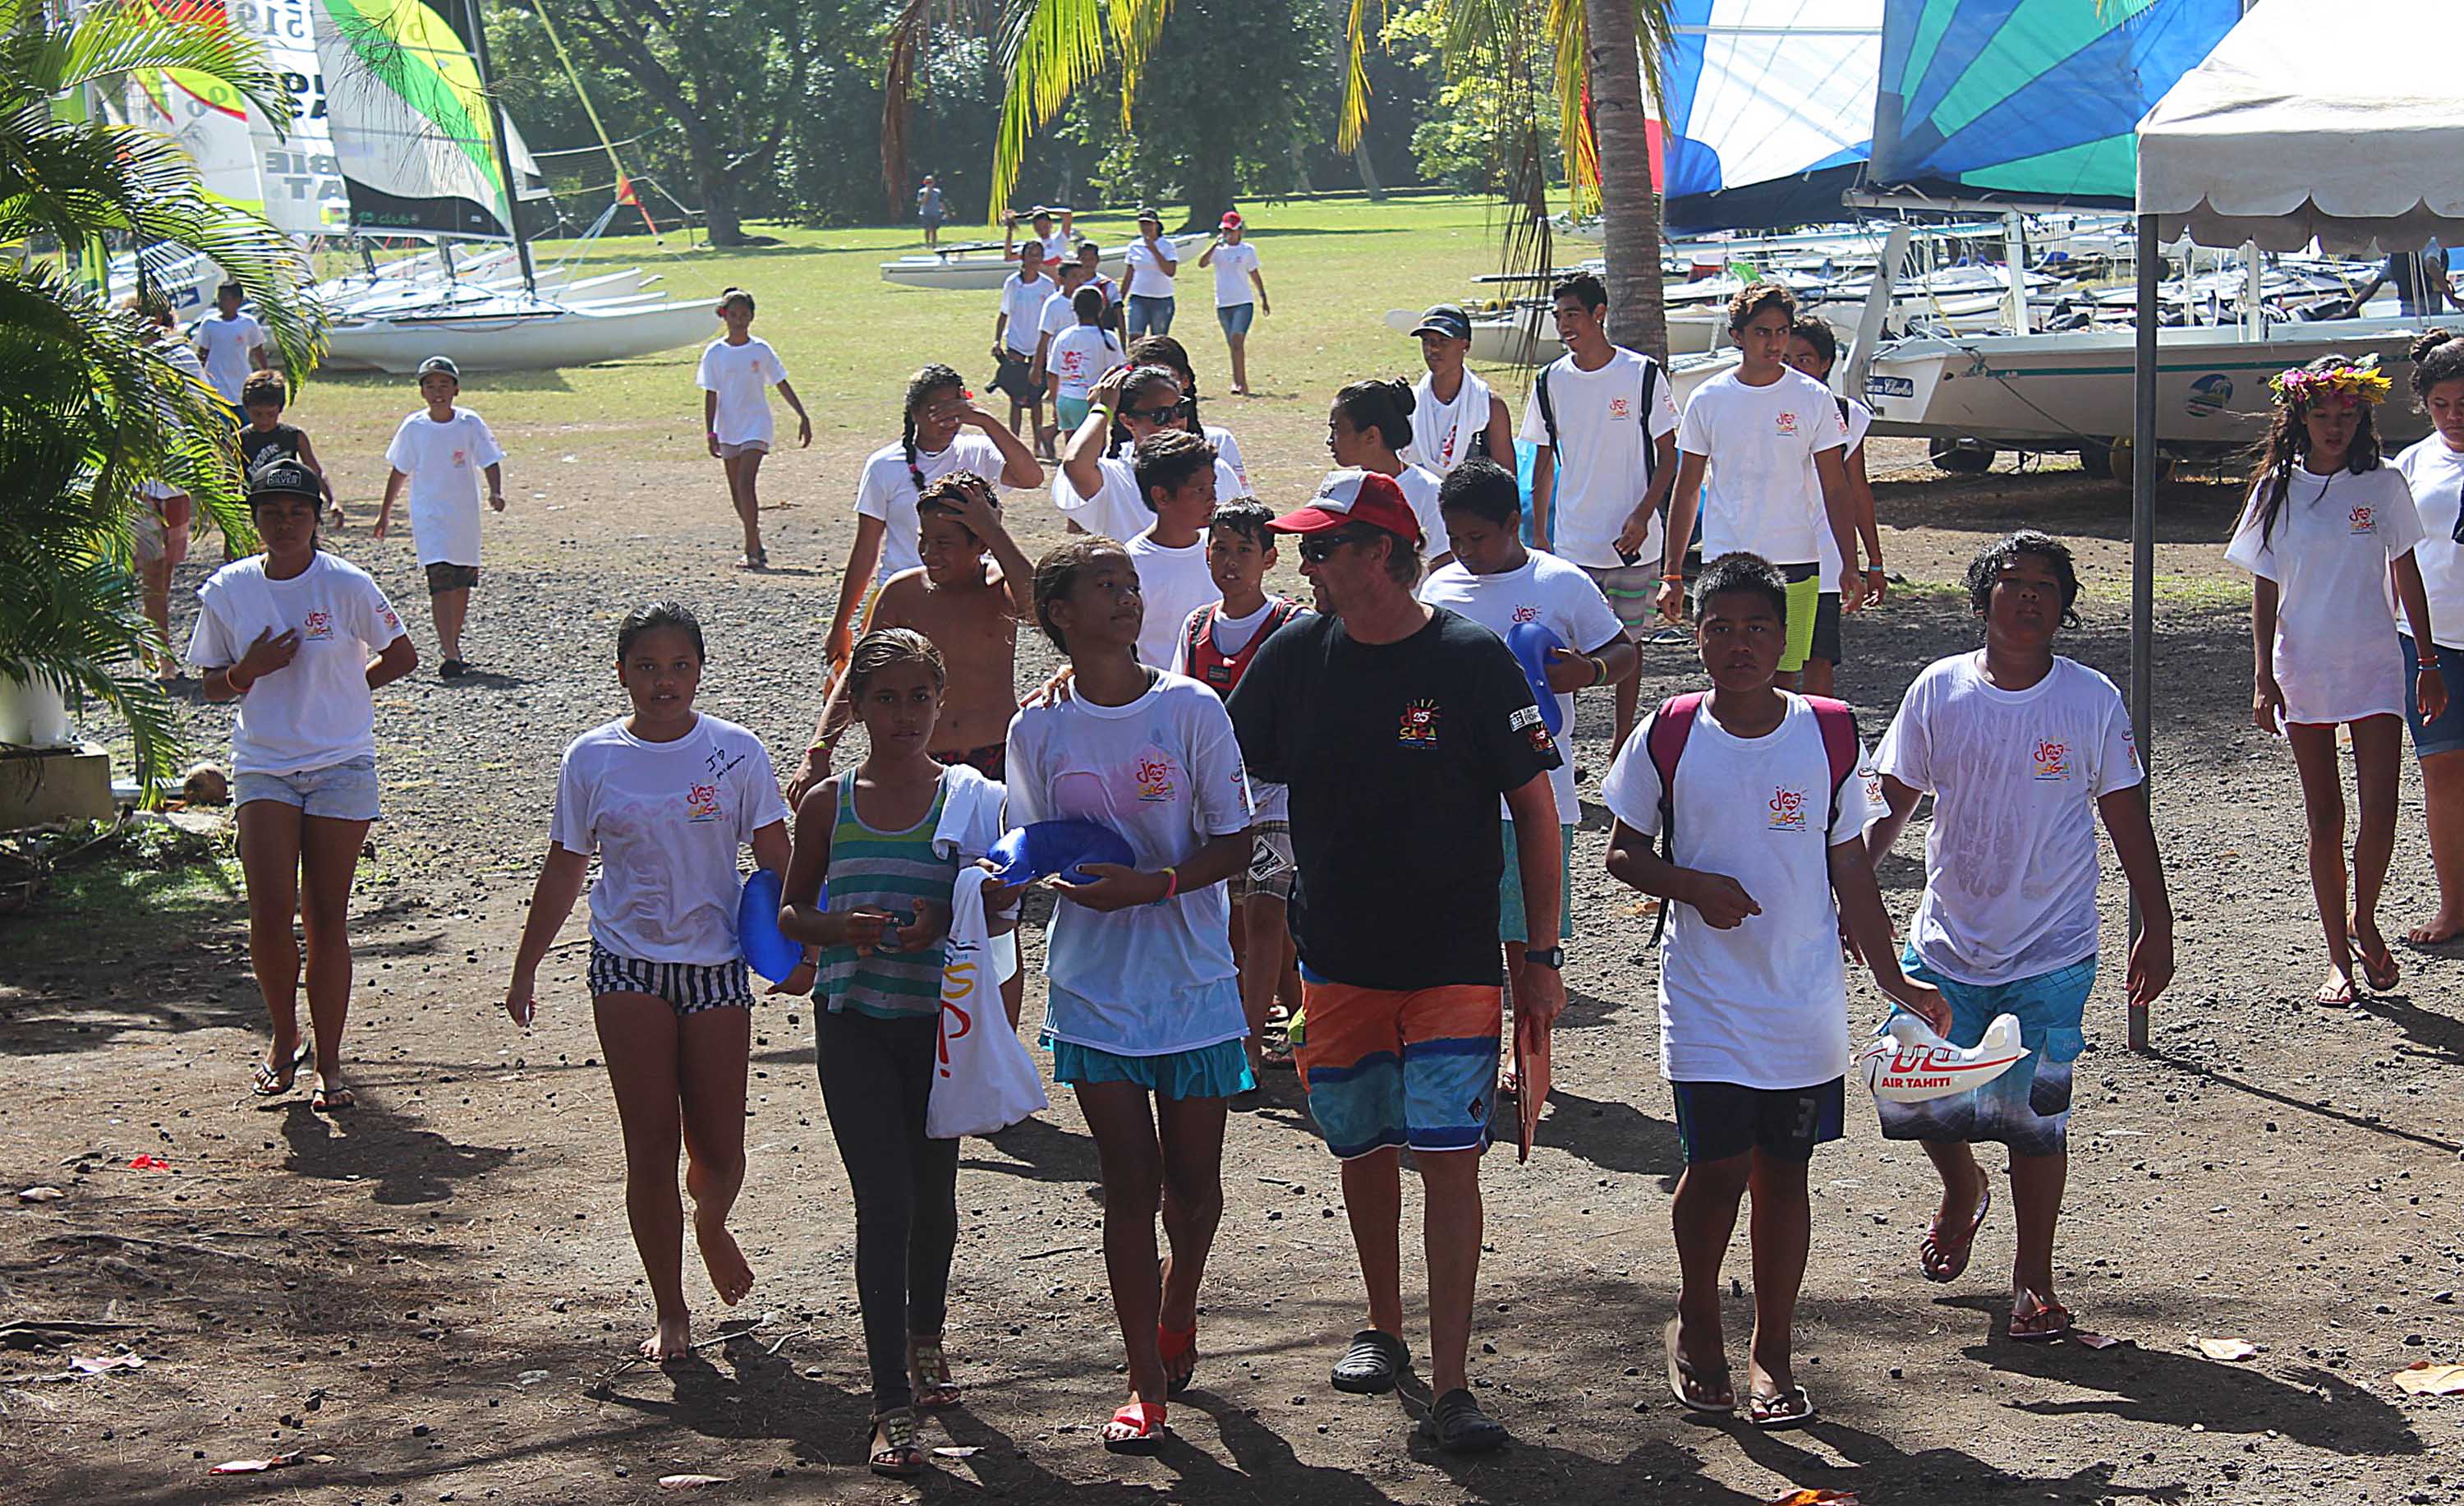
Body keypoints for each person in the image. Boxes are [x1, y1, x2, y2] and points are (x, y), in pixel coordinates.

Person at [1225, 469, 1562, 1454]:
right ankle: (1383, 1327)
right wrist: (1085, 684)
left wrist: (1539, 955)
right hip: (1335, 963)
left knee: (1449, 1164)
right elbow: (1211, 750)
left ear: (1382, 553)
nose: (1305, 563)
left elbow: (1534, 812)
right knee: (1363, 1152)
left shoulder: (1469, 659)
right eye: (1306, 548)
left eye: (1323, 548)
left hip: (1455, 965)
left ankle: (1455, 1383)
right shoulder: (1294, 654)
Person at [1602, 551, 1947, 1425]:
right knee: (1714, 1165)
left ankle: (1775, 1352)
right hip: (1706, 996)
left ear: (1787, 635)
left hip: (1802, 997)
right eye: (1720, 627)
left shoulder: (1828, 730)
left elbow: (1851, 870)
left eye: (1759, 627)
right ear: (1697, 634)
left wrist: (1892, 976)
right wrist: (1692, 886)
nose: (1739, 644)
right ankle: (1700, 1321)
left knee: (1785, 1174)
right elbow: (1622, 852)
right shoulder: (1669, 732)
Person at [1863, 532, 2174, 1343]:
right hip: (1946, 947)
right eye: (2012, 582)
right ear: (1983, 598)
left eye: (2046, 585)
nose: (2028, 596)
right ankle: (1961, 1189)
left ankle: (2033, 1285)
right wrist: (1846, 889)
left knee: (2037, 1121)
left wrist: (2159, 922)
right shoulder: (1938, 691)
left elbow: (2125, 815)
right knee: (1910, 1088)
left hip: (2052, 950)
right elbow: (1890, 800)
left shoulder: (2091, 699)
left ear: (2064, 606)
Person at [1005, 538, 1255, 1453]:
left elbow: (1236, 846)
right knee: (1128, 1185)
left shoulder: (1192, 710)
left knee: (1194, 1186)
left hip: (1192, 983)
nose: (1126, 598)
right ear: (1060, 614)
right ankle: (1143, 1379)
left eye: (1131, 584)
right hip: (1093, 988)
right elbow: (1029, 845)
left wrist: (1149, 887)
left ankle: (1178, 1304)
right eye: (1103, 587)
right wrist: (994, 881)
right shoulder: (1036, 728)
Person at [505, 602, 789, 1366]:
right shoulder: (591, 758)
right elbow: (566, 864)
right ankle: (671, 1308)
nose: (663, 682)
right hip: (626, 963)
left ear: (700, 668)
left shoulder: (737, 753)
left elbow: (775, 859)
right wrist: (527, 962)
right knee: (651, 1142)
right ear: (623, 671)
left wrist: (798, 952)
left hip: (717, 963)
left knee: (720, 1146)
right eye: (646, 667)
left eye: (678, 666)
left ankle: (712, 1221)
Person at [778, 627, 1009, 1478]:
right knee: (884, 1203)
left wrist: (946, 919)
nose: (904, 715)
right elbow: (791, 911)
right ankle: (889, 1403)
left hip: (940, 1028)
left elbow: (1004, 905)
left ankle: (926, 1339)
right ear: (859, 708)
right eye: (885, 698)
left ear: (941, 700)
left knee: (935, 1194)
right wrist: (843, 928)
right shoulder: (827, 804)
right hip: (854, 1023)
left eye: (920, 697)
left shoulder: (970, 798)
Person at [189, 459, 418, 1113]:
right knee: (268, 912)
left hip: (341, 763)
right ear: (254, 520)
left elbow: (402, 655)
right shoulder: (228, 590)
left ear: (317, 518)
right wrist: (247, 671)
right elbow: (206, 683)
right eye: (271, 513)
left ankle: (332, 1063)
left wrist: (345, 691)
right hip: (263, 763)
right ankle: (283, 1033)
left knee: (326, 918)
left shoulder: (346, 583)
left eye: (297, 512)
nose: (284, 523)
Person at [2225, 354, 2443, 1004]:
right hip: (2306, 665)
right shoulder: (2277, 489)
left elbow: (2408, 574)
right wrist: (2263, 675)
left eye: (2345, 416)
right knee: (2325, 815)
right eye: (2321, 415)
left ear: (2361, 417)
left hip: (2375, 659)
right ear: (2299, 418)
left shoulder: (2381, 484)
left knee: (2381, 808)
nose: (2333, 427)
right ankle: (2336, 959)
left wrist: (2427, 662)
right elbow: (2265, 586)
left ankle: (2364, 917)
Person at [788, 472, 1035, 1028]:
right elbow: (860, 671)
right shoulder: (904, 590)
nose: (929, 552)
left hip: (989, 764)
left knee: (994, 912)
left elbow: (1044, 608)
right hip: (914, 766)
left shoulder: (1002, 588)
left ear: (980, 541)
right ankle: (915, 1020)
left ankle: (995, 1053)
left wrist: (994, 529)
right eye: (924, 539)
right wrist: (820, 747)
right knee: (916, 898)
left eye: (946, 540)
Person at [1420, 458, 1635, 1088]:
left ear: (1515, 523)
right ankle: (1471, 1047)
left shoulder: (1561, 583)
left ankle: (1530, 1053)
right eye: (1454, 538)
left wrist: (1586, 673)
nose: (1465, 551)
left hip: (1538, 796)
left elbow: (1623, 649)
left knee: (1525, 934)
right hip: (1454, 794)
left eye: (1478, 538)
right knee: (1462, 931)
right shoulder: (1439, 590)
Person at [1657, 283, 1865, 699]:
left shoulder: (1814, 398)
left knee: (1785, 680)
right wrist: (1672, 572)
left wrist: (1850, 563)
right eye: (1762, 332)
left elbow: (1837, 490)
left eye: (1782, 332)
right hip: (1726, 560)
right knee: (1727, 675)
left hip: (1798, 559)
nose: (1774, 343)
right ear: (1738, 336)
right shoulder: (1707, 398)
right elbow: (1687, 489)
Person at [1170, 500, 1308, 1082]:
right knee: (1232, 919)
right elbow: (1179, 704)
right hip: (1216, 798)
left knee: (1264, 913)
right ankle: (1303, 1017)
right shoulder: (1197, 626)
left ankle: (1247, 1046)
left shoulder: (1293, 625)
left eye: (1243, 551)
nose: (1229, 562)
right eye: (1219, 549)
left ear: (1270, 557)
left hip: (1277, 794)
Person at [1522, 269, 1680, 753]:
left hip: (1636, 543)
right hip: (1573, 542)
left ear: (1599, 314)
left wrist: (1642, 514)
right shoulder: (1550, 381)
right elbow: (1542, 463)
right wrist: (1543, 538)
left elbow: (1669, 454)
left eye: (1573, 314)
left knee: (1629, 643)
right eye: (1557, 317)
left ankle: (1621, 741)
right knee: (1559, 648)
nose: (1564, 325)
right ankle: (1560, 742)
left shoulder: (1642, 374)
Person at [826, 365, 1041, 670]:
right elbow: (866, 549)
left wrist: (983, 420)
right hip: (902, 595)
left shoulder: (978, 450)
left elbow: (1032, 477)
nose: (948, 419)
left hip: (968, 594)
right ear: (914, 413)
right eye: (936, 410)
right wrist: (840, 625)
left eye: (955, 408)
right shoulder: (883, 466)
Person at [2395, 329, 2464, 943]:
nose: (2453, 416)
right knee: (2442, 770)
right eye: (2441, 405)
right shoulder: (2411, 464)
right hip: (2431, 641)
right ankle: (2454, 904)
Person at [375, 355, 504, 679]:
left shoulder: (469, 423)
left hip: (464, 516)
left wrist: (495, 491)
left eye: (444, 385)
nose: (437, 392)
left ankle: (454, 645)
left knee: (461, 583)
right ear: (421, 392)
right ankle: (448, 650)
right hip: (430, 516)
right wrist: (385, 513)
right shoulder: (414, 427)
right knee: (439, 581)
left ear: (456, 389)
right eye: (430, 386)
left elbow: (490, 459)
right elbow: (399, 470)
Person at [1783, 317, 1885, 698]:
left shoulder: (1847, 414)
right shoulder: (1760, 406)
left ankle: (1817, 734)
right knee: (1773, 660)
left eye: (1805, 360)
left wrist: (1870, 562)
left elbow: (1857, 491)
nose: (1794, 368)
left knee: (1819, 658)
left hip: (1826, 557)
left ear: (1826, 363)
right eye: (1787, 358)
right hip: (1772, 550)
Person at [1055, 365, 1241, 544]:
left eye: (1180, 408)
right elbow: (1074, 464)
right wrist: (1102, 408)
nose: (1175, 421)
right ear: (1128, 421)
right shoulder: (1116, 476)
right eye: (1161, 414)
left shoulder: (1216, 469)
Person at [697, 288, 811, 571]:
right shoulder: (715, 352)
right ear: (724, 317)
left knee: (746, 482)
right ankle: (755, 540)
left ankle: (750, 548)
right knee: (736, 489)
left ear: (752, 317)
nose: (739, 321)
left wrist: (802, 415)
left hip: (756, 424)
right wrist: (710, 432)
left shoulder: (760, 350)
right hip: (727, 426)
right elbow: (711, 393)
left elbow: (780, 382)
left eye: (744, 315)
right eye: (733, 315)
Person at [129, 295, 209, 679]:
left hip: (176, 480)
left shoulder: (183, 359)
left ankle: (154, 644)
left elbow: (203, 411)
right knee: (152, 570)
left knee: (166, 571)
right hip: (137, 482)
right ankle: (162, 656)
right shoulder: (124, 362)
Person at [1122, 431, 1225, 670]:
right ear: (1162, 496)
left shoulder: (1222, 549)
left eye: (1213, 485)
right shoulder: (1131, 564)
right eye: (1199, 490)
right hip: (1164, 696)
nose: (1213, 497)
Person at [1326, 378, 1449, 569]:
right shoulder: (1342, 490)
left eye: (1337, 430)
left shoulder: (1428, 491)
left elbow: (1443, 559)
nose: (1329, 440)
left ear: (1371, 436)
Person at [1124, 334, 1245, 487]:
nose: (1158, 385)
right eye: (1159, 415)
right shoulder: (1119, 461)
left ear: (1185, 381)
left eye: (1167, 376)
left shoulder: (1219, 444)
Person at [1407, 304, 1515, 475]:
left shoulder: (1489, 407)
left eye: (1444, 340)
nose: (1433, 348)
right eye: (1427, 340)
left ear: (1466, 345)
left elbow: (1507, 480)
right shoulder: (1408, 403)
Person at [238, 370, 339, 527]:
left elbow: (316, 472)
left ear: (280, 409)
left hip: (289, 511)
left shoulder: (294, 436)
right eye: (257, 414)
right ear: (246, 408)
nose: (264, 420)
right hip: (256, 512)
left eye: (270, 414)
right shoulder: (238, 440)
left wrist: (332, 500)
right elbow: (229, 484)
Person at [991, 241, 1056, 458]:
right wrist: (997, 341)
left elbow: (1051, 318)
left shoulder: (1047, 285)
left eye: (1039, 255)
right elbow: (1004, 313)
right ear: (1023, 257)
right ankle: (1014, 444)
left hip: (1039, 347)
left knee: (1036, 398)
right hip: (1016, 345)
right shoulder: (1013, 283)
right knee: (1016, 397)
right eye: (1031, 254)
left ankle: (1037, 445)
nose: (1035, 259)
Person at [1198, 211, 1268, 395]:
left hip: (1243, 302)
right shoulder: (1218, 251)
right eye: (1224, 230)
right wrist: (1214, 245)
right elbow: (1202, 264)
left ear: (1239, 231)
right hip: (1223, 303)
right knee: (1232, 344)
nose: (1227, 234)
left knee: (1237, 340)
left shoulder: (1247, 250)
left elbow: (1254, 273)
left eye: (1230, 231)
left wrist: (1263, 297)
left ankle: (1240, 383)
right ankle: (1237, 381)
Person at [1040, 286, 1126, 436]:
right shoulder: (1108, 338)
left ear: (1073, 308)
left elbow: (1052, 374)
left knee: (1071, 449)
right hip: (1089, 402)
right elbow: (1119, 371)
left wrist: (1056, 405)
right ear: (1102, 308)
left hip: (1064, 400)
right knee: (1094, 449)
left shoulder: (1063, 336)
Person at [191, 279, 269, 407]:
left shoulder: (248, 323)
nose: (220, 302)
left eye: (225, 298)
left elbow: (258, 350)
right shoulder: (209, 324)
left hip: (241, 384)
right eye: (219, 298)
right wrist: (197, 377)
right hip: (216, 387)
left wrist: (266, 375)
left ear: (237, 301)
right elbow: (202, 354)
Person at [1121, 207, 1179, 340]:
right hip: (1138, 297)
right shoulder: (1134, 246)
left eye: (1149, 223)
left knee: (1158, 339)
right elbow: (1129, 274)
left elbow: (1170, 271)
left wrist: (1154, 250)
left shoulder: (1167, 245)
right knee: (1135, 336)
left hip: (1162, 299)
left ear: (1156, 225)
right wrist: (1120, 298)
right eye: (1142, 224)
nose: (1145, 227)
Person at [1004, 205, 1074, 265]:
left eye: (1045, 225)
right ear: (1034, 227)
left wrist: (1045, 210)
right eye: (1038, 226)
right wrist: (1010, 230)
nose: (1042, 229)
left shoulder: (1060, 238)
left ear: (1051, 224)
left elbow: (1067, 214)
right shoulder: (1031, 247)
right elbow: (1009, 257)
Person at [916, 176, 945, 249]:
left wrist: (945, 212)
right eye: (927, 182)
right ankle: (927, 244)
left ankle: (934, 244)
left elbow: (940, 202)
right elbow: (923, 202)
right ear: (924, 183)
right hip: (925, 213)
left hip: (935, 213)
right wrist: (928, 192)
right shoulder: (921, 192)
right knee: (927, 229)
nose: (929, 184)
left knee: (934, 230)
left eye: (930, 182)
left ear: (934, 182)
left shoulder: (938, 192)